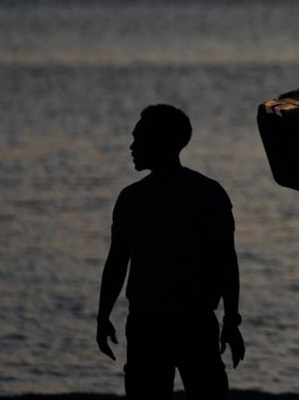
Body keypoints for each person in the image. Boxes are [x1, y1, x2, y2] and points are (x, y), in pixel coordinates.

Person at [96, 104, 245, 400]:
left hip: (172, 325)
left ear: (161, 143)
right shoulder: (207, 192)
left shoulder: (135, 199)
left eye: (139, 139)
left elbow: (226, 261)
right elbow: (226, 262)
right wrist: (230, 320)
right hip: (169, 324)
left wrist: (231, 321)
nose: (132, 146)